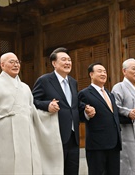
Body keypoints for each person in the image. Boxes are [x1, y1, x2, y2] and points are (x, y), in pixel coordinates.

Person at [0, 52, 63, 175]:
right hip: (5, 130)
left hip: (27, 131)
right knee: (8, 165)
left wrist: (48, 111)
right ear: (2, 65)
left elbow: (32, 111)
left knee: (28, 163)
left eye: (17, 62)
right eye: (12, 62)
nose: (16, 65)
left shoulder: (25, 88)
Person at [32, 47, 82, 175]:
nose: (68, 63)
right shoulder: (44, 80)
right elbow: (32, 101)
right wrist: (47, 105)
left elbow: (73, 106)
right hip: (55, 135)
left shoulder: (73, 82)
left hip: (73, 136)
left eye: (69, 60)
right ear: (54, 63)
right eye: (64, 60)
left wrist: (86, 109)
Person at [78, 62, 122, 175]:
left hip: (114, 143)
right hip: (97, 145)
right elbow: (79, 114)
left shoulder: (109, 93)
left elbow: (114, 115)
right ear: (91, 74)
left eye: (105, 71)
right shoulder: (85, 93)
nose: (103, 74)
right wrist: (87, 113)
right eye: (99, 71)